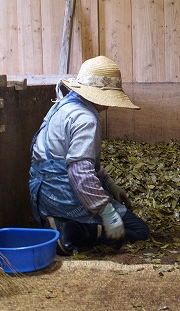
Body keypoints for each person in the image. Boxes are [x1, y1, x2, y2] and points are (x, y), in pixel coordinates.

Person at [29, 56, 149, 256]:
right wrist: (108, 213)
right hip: (62, 195)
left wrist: (109, 183)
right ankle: (72, 231)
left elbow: (75, 158)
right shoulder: (86, 120)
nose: (109, 106)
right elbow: (80, 173)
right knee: (139, 230)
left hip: (42, 194)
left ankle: (62, 223)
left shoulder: (65, 105)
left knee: (119, 213)